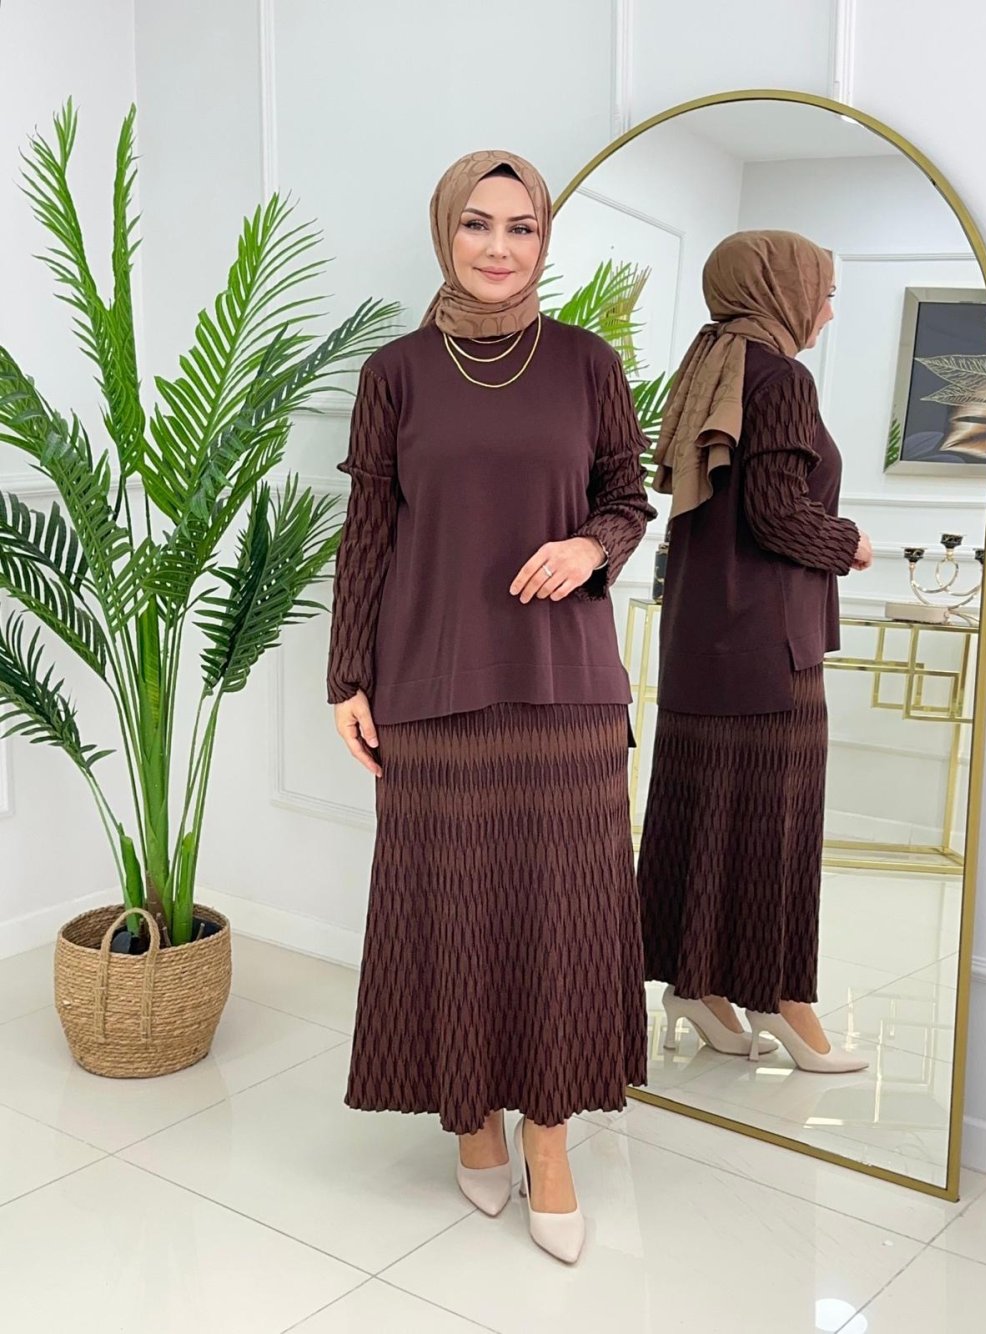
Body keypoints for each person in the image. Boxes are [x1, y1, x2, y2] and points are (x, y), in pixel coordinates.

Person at [326, 149, 656, 1263]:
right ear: (445, 232)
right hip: (431, 685)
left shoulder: (587, 363)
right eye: (478, 224)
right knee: (452, 911)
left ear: (544, 238)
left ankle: (548, 1141)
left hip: (567, 688)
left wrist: (590, 546)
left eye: (522, 227)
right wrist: (346, 676)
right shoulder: (396, 373)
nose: (500, 248)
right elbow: (369, 532)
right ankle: (470, 1114)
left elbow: (627, 497)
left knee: (562, 919)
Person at [637, 230, 872, 1074]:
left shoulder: (711, 366)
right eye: (824, 292)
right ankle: (780, 999)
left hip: (702, 644)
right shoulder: (781, 379)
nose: (829, 311)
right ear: (783, 289)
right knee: (776, 829)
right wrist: (850, 542)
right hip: (770, 651)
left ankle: (698, 987)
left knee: (707, 818)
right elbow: (778, 514)